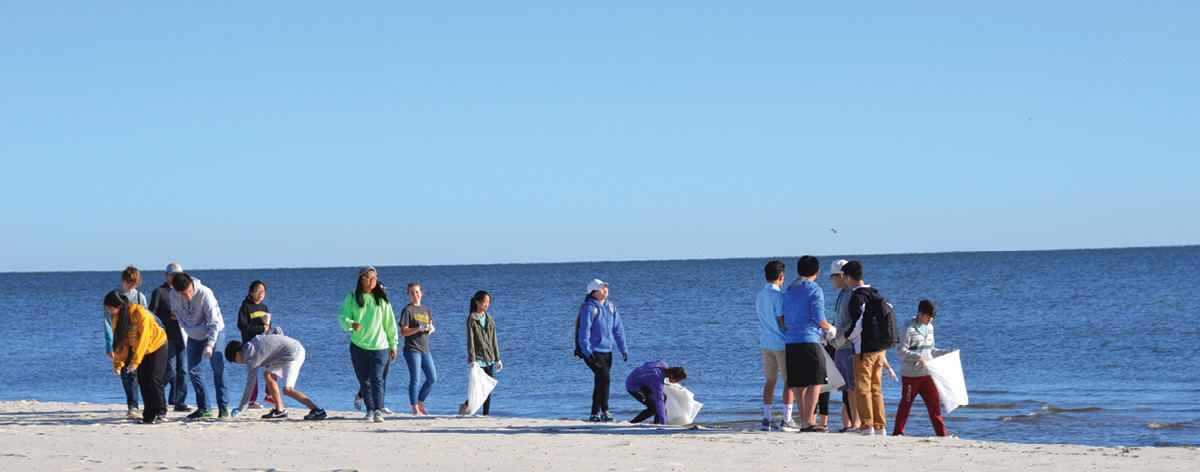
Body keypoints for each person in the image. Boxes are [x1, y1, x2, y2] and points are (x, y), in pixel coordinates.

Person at [781, 255, 836, 432]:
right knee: (817, 380)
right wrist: (829, 328)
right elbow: (819, 316)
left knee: (800, 383)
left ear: (797, 271)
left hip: (791, 341)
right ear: (817, 272)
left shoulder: (789, 288)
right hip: (808, 339)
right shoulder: (814, 289)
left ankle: (805, 420)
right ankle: (808, 421)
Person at [339, 266, 398, 423]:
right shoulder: (352, 298)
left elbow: (390, 323)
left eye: (374, 278)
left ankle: (378, 409)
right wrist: (351, 324)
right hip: (359, 346)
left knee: (377, 379)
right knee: (364, 380)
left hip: (380, 346)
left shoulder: (382, 299)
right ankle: (369, 410)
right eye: (368, 278)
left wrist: (394, 345)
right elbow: (342, 317)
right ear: (361, 280)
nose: (372, 281)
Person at [226, 329, 327, 421]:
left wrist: (241, 406)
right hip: (286, 353)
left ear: (238, 354)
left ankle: (317, 410)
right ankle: (280, 410)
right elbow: (276, 330)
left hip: (294, 354)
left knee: (287, 390)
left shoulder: (251, 360)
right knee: (267, 375)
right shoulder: (254, 340)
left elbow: (250, 384)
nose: (238, 363)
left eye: (235, 361)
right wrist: (279, 346)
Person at [169, 272, 231, 419]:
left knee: (218, 366)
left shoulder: (205, 293)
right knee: (193, 370)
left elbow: (214, 323)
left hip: (214, 332)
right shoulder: (173, 295)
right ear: (177, 291)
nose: (188, 296)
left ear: (192, 285)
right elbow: (178, 315)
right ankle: (205, 408)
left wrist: (210, 345)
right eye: (184, 294)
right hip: (194, 335)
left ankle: (223, 407)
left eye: (190, 292)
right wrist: (187, 329)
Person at [103, 290, 168, 424]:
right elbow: (121, 343)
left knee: (155, 378)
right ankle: (149, 415)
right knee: (143, 380)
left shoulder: (140, 313)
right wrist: (118, 364)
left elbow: (144, 339)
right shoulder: (117, 318)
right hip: (141, 348)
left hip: (157, 344)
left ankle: (161, 412)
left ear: (119, 305)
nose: (109, 311)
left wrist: (135, 362)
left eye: (110, 308)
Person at [842, 260, 890, 435]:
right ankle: (880, 426)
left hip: (864, 350)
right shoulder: (875, 293)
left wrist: (846, 336)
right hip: (880, 349)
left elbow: (858, 325)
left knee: (862, 389)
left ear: (848, 277)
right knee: (876, 388)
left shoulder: (857, 296)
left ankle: (867, 425)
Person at [893, 300, 954, 437]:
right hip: (911, 375)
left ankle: (942, 435)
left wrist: (947, 352)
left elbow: (931, 350)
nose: (929, 321)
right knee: (906, 404)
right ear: (920, 313)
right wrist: (916, 356)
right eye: (927, 317)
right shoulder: (908, 327)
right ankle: (897, 433)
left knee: (934, 406)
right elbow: (900, 350)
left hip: (928, 374)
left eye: (931, 318)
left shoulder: (930, 328)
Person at [576, 279, 628, 422]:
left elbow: (618, 329)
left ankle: (594, 414)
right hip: (593, 351)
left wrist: (623, 348)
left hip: (607, 351)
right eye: (601, 287)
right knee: (605, 379)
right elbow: (583, 333)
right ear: (593, 293)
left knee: (600, 381)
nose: (605, 289)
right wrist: (587, 352)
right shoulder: (589, 308)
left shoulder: (611, 307)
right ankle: (605, 411)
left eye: (606, 286)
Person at [755, 260, 796, 431]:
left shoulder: (759, 295)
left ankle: (767, 418)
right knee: (789, 382)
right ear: (781, 277)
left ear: (765, 276)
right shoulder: (779, 296)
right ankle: (787, 419)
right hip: (780, 342)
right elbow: (782, 323)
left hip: (765, 341)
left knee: (770, 380)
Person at [104, 266, 148, 419]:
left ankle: (134, 406)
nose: (132, 287)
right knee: (124, 374)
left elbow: (145, 323)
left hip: (135, 342)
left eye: (134, 284)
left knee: (133, 374)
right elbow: (107, 323)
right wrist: (110, 346)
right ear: (123, 281)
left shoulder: (140, 297)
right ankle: (131, 404)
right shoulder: (113, 296)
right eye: (129, 283)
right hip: (121, 341)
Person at [149, 263, 190, 414]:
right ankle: (158, 398)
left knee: (184, 370)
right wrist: (169, 317)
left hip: (184, 335)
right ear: (166, 275)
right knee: (169, 370)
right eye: (172, 274)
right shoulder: (159, 292)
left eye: (178, 274)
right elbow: (151, 315)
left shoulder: (184, 291)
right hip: (167, 337)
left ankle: (180, 401)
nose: (175, 277)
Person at [828, 259, 862, 432]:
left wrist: (841, 336)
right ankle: (850, 424)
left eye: (833, 277)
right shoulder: (841, 293)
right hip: (839, 347)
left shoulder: (851, 295)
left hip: (848, 347)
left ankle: (857, 423)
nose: (831, 280)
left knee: (852, 388)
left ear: (841, 276)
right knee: (846, 388)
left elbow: (855, 323)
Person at [459, 291, 501, 417]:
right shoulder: (472, 319)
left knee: (488, 387)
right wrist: (472, 360)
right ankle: (466, 405)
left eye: (488, 302)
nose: (486, 305)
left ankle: (485, 414)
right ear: (477, 302)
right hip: (478, 358)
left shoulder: (490, 319)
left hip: (489, 357)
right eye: (484, 302)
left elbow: (494, 340)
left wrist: (497, 359)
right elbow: (470, 341)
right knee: (479, 387)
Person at [399, 283, 437, 415]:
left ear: (421, 293)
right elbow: (403, 332)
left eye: (417, 292)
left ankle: (420, 404)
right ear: (408, 295)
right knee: (415, 379)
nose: (415, 295)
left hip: (425, 349)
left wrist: (430, 330)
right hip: (412, 349)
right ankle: (415, 409)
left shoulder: (425, 309)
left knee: (432, 378)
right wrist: (418, 329)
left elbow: (429, 326)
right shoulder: (407, 310)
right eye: (411, 293)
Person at [237, 280, 274, 409]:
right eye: (257, 291)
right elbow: (242, 326)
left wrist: (267, 329)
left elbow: (267, 327)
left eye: (262, 291)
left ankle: (269, 395)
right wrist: (260, 329)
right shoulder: (245, 307)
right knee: (253, 372)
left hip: (264, 344)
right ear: (251, 292)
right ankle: (251, 401)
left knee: (274, 365)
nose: (260, 294)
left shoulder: (264, 308)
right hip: (251, 345)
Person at [625, 360, 687, 425]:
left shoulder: (663, 364)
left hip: (639, 378)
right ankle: (633, 422)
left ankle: (658, 422)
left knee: (664, 397)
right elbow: (659, 402)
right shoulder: (657, 379)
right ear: (672, 375)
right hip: (633, 385)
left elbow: (647, 363)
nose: (676, 383)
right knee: (654, 407)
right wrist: (664, 424)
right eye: (676, 381)